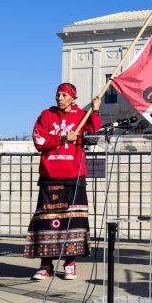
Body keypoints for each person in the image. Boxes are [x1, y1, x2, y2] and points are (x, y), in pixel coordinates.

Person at [26, 83, 101, 280]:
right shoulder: (46, 115)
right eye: (57, 94)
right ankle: (45, 265)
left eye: (64, 94)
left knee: (73, 221)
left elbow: (94, 130)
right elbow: (39, 141)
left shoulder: (80, 115)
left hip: (74, 176)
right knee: (47, 223)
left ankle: (70, 263)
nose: (59, 97)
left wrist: (95, 110)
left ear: (73, 98)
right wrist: (63, 138)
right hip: (49, 176)